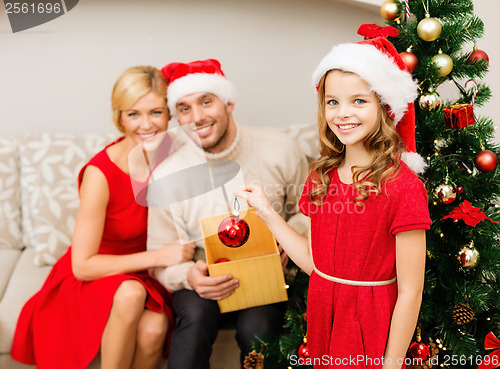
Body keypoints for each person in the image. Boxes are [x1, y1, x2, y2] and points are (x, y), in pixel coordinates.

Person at [235, 37, 432, 369]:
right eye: (333, 102)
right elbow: (315, 265)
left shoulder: (402, 187)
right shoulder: (320, 177)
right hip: (325, 314)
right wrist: (267, 212)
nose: (343, 114)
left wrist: (392, 364)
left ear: (384, 106)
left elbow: (411, 292)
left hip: (372, 321)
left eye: (358, 101)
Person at [10, 66, 196, 369]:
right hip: (100, 272)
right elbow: (83, 266)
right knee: (130, 293)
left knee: (154, 330)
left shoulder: (177, 154)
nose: (147, 124)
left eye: (156, 112)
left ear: (170, 114)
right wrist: (161, 255)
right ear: (119, 117)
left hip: (147, 272)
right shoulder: (100, 173)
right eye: (133, 114)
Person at [147, 58, 310, 369]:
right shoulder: (167, 176)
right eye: (184, 108)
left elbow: (308, 213)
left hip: (268, 275)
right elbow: (159, 257)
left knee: (259, 329)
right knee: (193, 320)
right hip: (203, 280)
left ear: (229, 103)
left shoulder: (282, 150)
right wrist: (188, 276)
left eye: (206, 102)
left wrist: (290, 242)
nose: (197, 117)